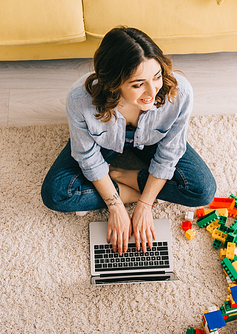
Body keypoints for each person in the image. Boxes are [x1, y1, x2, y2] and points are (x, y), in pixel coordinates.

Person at [41, 26, 216, 256]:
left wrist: (145, 205)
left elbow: (170, 151)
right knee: (55, 194)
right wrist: (115, 206)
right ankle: (131, 189)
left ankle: (123, 176)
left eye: (156, 77)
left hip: (153, 140)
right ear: (113, 83)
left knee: (203, 191)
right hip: (104, 143)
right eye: (137, 84)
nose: (152, 92)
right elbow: (87, 157)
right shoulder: (79, 100)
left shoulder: (180, 92)